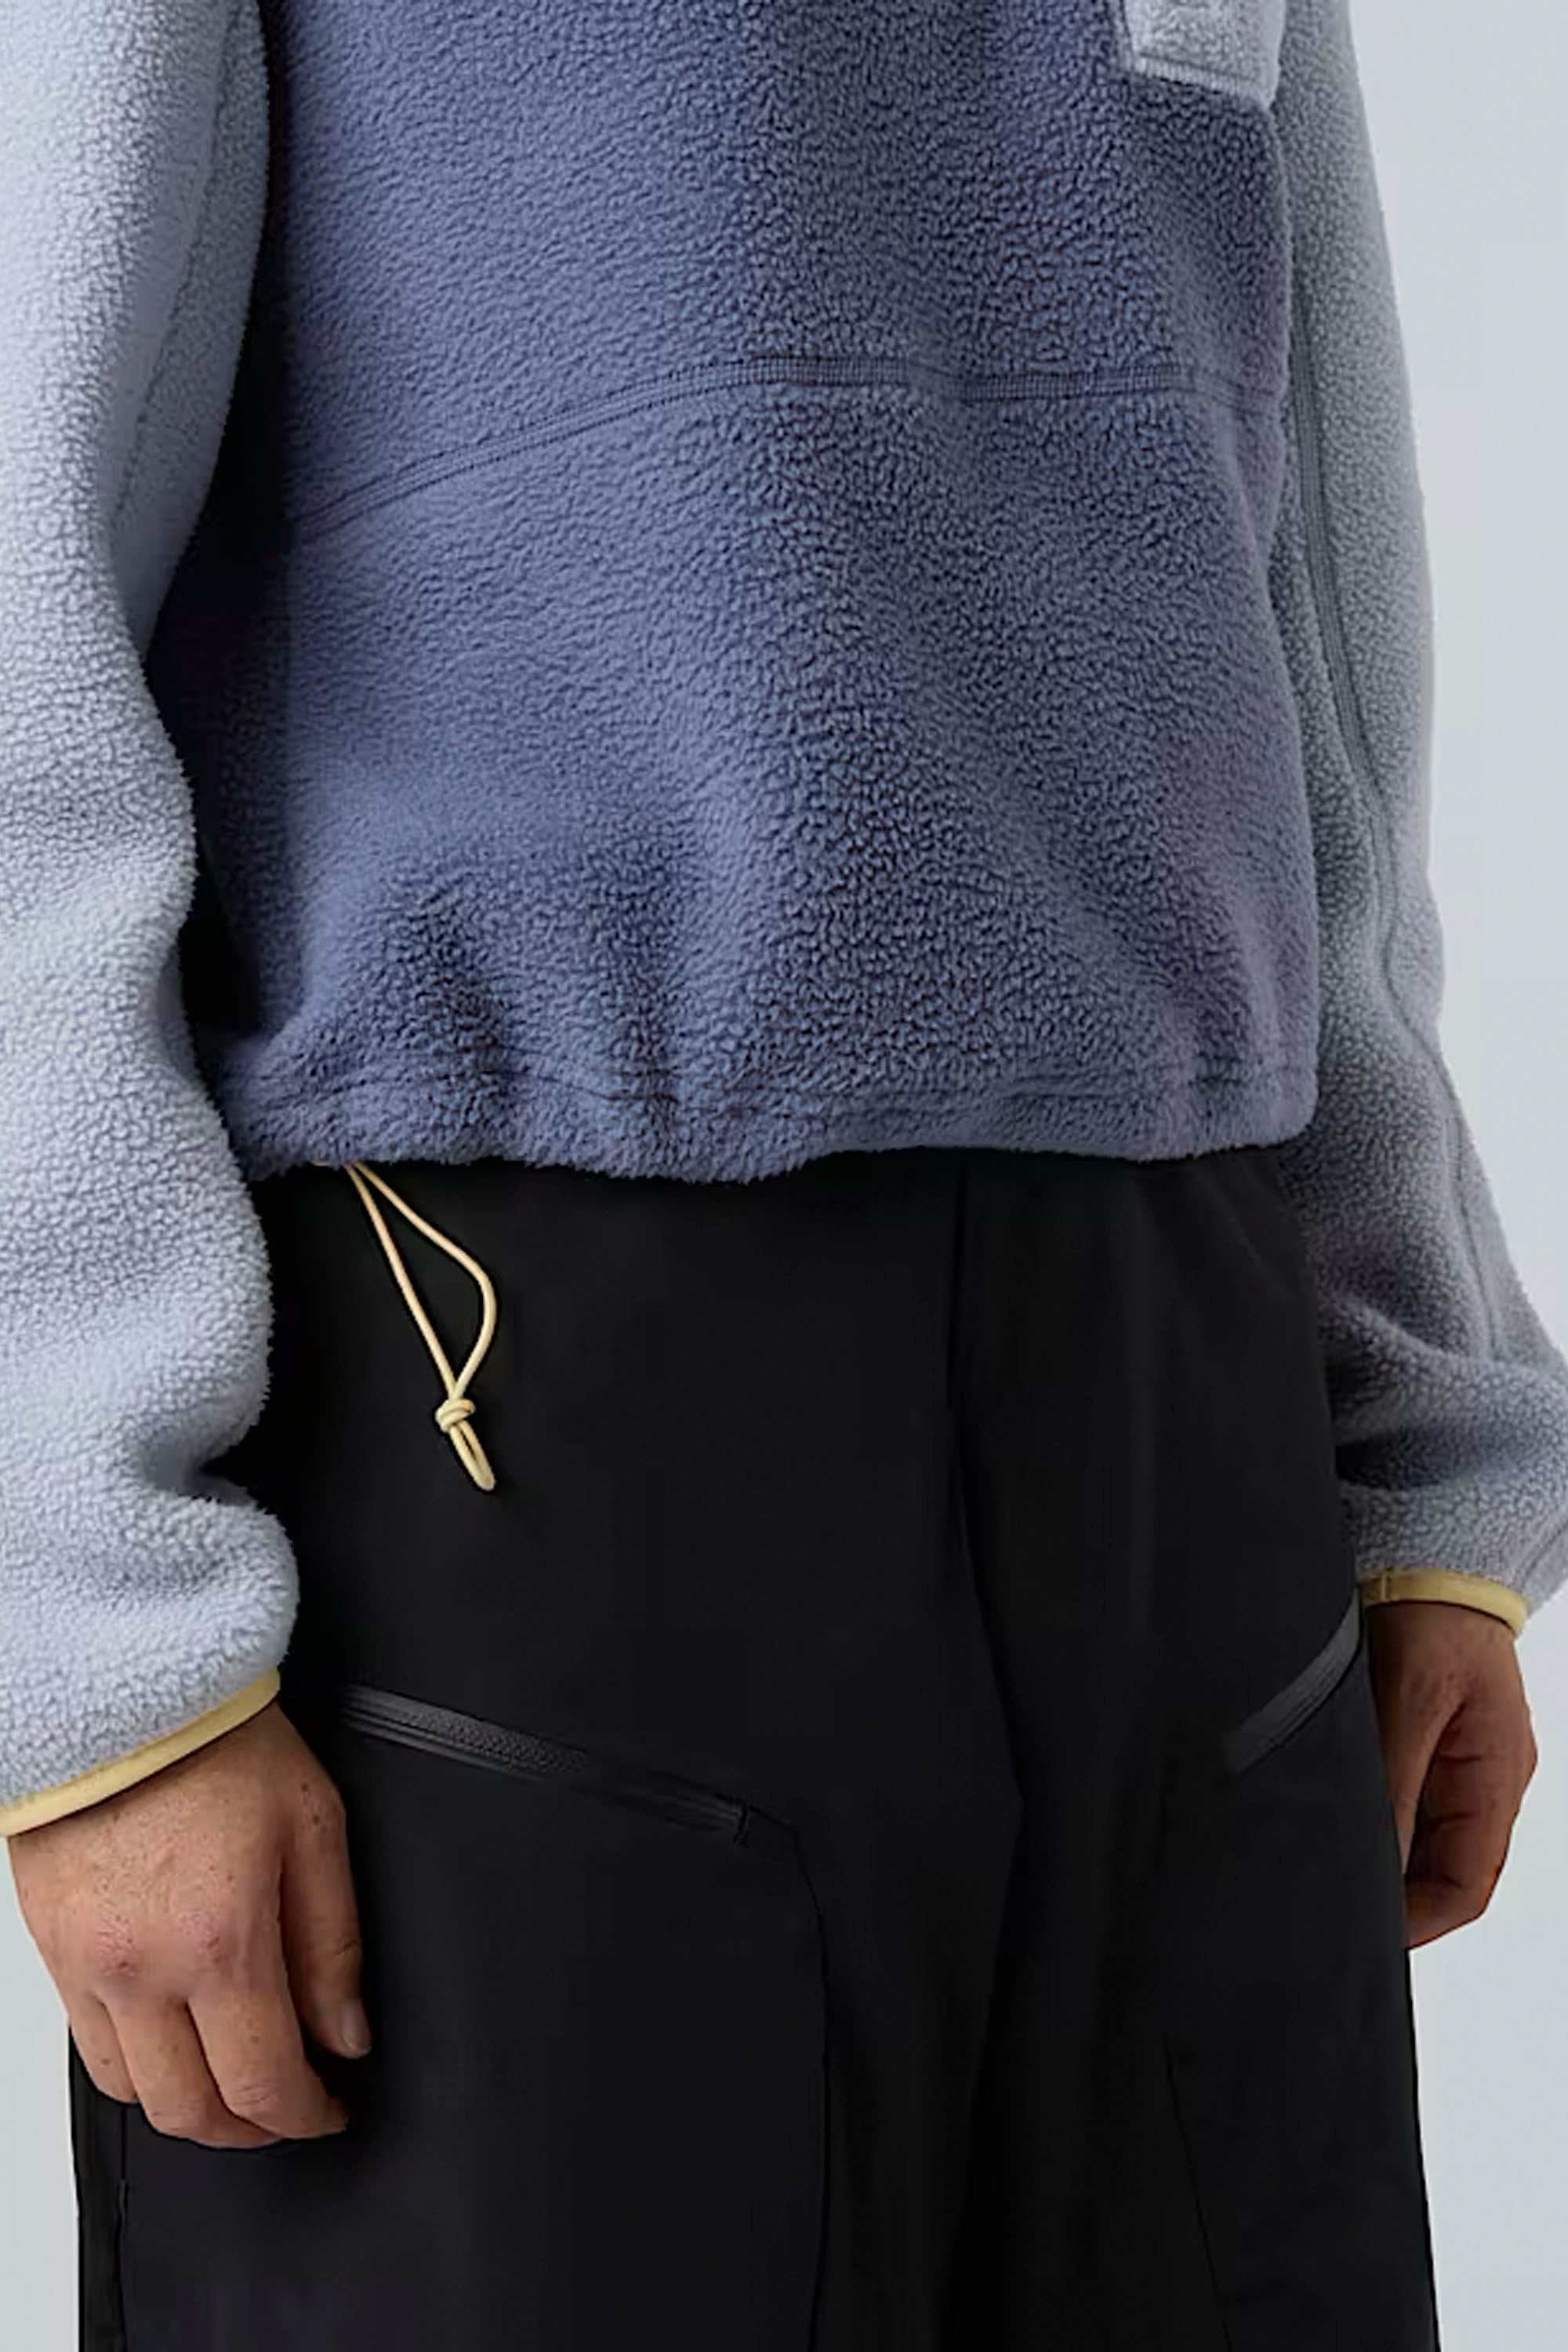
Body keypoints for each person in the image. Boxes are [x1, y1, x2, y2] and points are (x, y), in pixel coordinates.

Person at [0, 1, 1559, 2343]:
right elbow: (22, 578)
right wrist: (86, 1618)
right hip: (525, 1414)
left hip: (1197, 1442)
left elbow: (1299, 550)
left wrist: (1416, 1412)